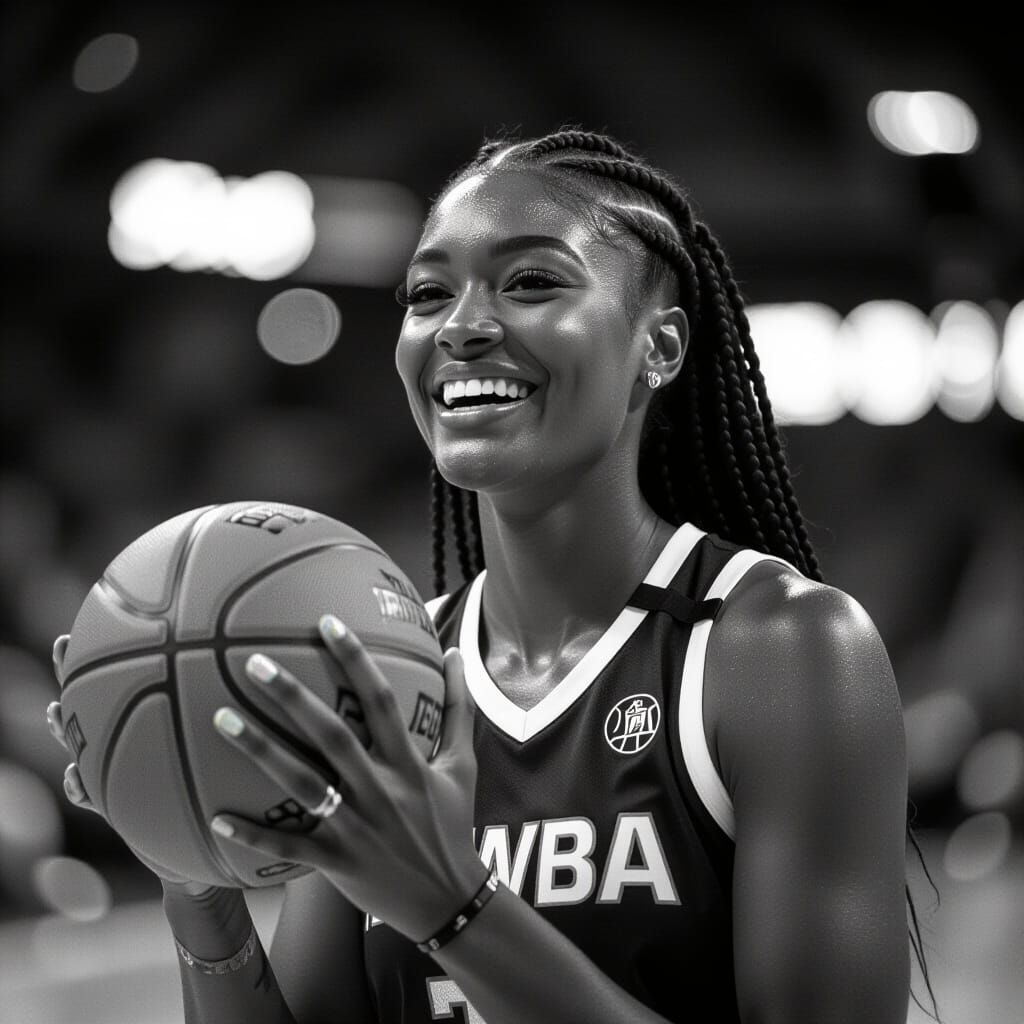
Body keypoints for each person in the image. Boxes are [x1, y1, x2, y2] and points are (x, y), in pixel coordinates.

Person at [48, 127, 934, 1024]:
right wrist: (195, 880)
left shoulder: (781, 649)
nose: (463, 327)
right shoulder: (384, 668)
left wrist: (455, 906)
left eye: (531, 282)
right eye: (429, 293)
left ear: (658, 348)